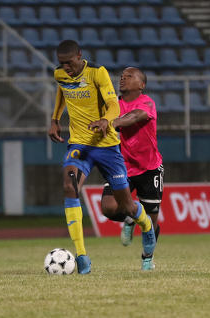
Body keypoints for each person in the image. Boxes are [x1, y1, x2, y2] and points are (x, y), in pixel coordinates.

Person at [48, 40, 156, 273]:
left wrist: (107, 120)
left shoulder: (97, 72)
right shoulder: (60, 74)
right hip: (79, 144)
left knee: (127, 206)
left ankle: (146, 226)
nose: (66, 68)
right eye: (62, 64)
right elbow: (62, 91)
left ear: (80, 56)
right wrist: (55, 119)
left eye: (70, 63)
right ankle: (82, 256)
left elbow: (112, 104)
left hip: (107, 146)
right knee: (69, 186)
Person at [100, 67, 163, 267]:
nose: (123, 78)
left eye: (129, 76)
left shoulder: (147, 102)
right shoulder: (114, 105)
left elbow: (135, 116)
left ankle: (147, 259)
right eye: (122, 76)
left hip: (149, 168)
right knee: (108, 207)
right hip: (123, 165)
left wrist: (112, 122)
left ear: (141, 85)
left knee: (151, 224)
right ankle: (130, 216)